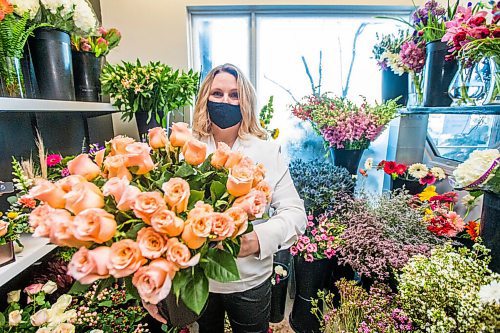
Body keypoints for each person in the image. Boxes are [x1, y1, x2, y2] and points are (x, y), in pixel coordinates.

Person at [191, 63, 306, 333]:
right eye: (217, 93)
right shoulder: (187, 147)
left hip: (250, 278)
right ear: (205, 97)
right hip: (198, 277)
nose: (225, 101)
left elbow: (294, 212)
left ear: (246, 102)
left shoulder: (267, 151)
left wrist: (258, 240)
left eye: (234, 95)